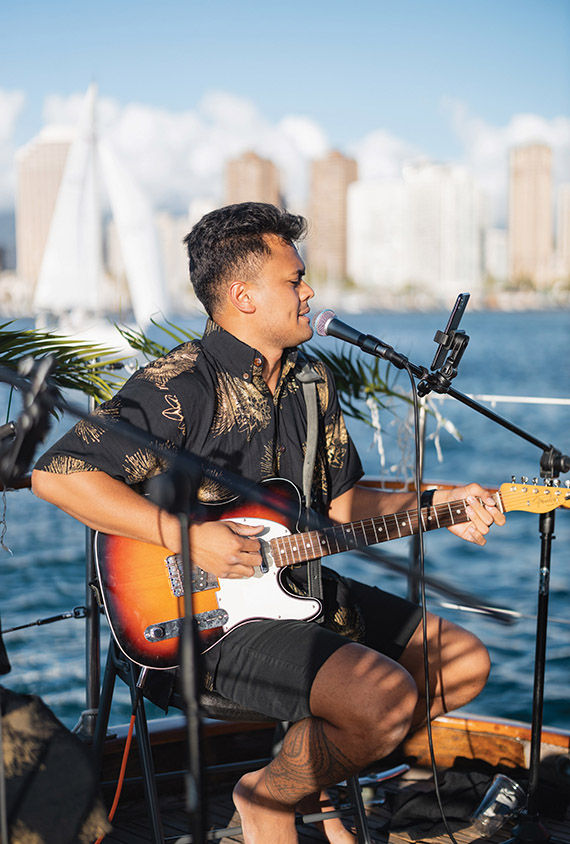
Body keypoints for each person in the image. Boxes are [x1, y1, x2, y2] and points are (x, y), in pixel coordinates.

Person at [32, 202, 505, 844]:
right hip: (201, 623)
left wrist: (441, 501)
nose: (310, 291)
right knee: (382, 699)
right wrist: (190, 534)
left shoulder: (312, 379)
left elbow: (340, 507)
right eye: (295, 280)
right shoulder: (178, 385)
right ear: (244, 295)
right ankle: (267, 799)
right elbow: (59, 473)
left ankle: (299, 784)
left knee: (461, 662)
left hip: (296, 589)